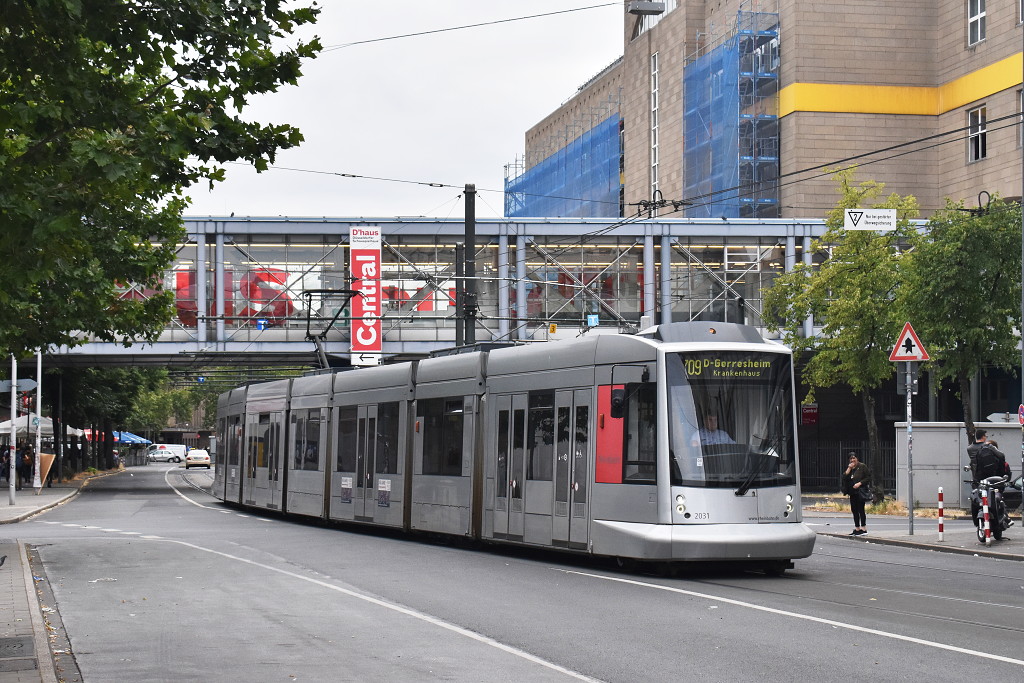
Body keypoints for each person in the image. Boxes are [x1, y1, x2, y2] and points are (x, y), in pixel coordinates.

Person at [841, 452, 872, 536]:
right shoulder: (850, 469)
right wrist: (849, 468)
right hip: (852, 492)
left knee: (860, 509)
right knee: (854, 510)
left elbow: (868, 477)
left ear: (857, 458)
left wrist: (860, 483)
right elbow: (844, 478)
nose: (852, 460)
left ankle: (863, 528)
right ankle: (857, 528)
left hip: (860, 491)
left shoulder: (862, 466)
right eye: (850, 458)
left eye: (854, 458)